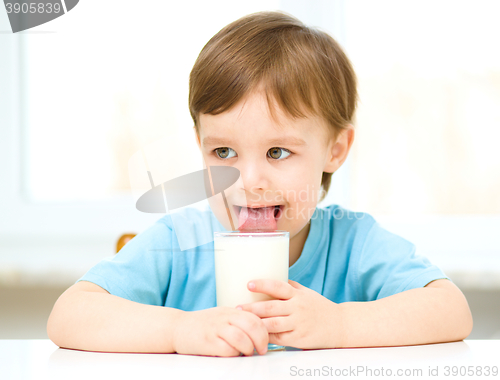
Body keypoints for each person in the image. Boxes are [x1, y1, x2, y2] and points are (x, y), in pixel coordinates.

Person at [47, 11, 473, 357]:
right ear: (201, 147)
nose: (248, 182)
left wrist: (339, 324)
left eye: (277, 153)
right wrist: (179, 330)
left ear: (336, 150)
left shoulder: (354, 243)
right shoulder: (178, 243)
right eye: (224, 153)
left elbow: (452, 311)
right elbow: (69, 315)